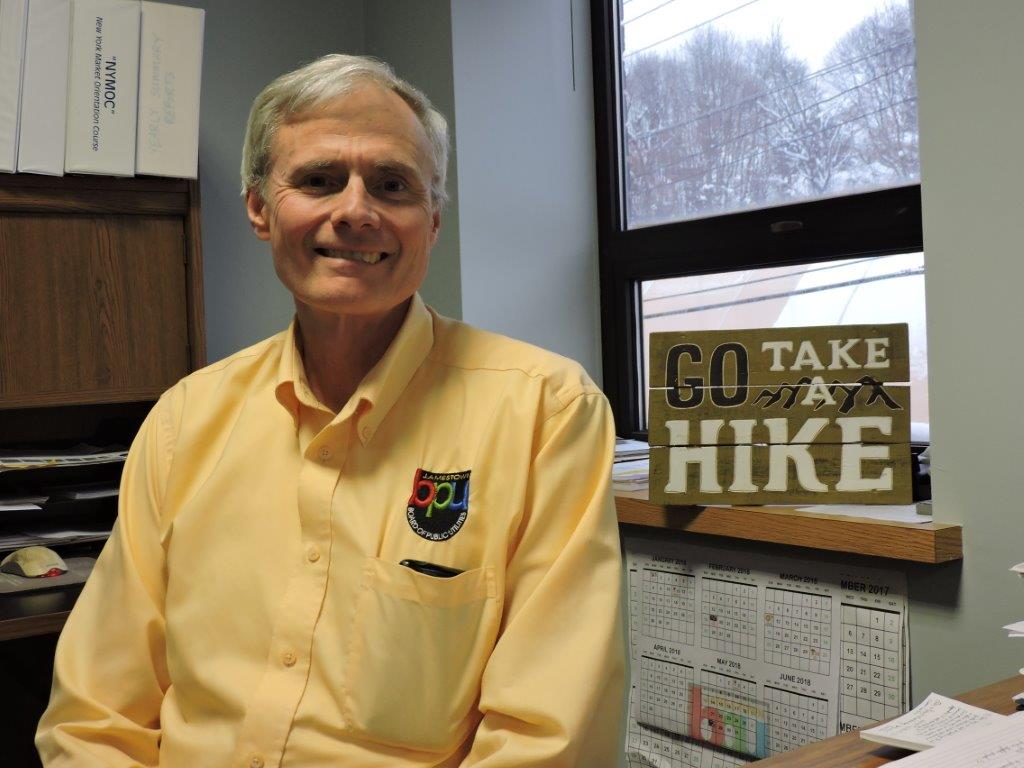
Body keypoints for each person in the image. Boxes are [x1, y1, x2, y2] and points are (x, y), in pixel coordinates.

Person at [36, 54, 625, 767]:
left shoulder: (547, 414)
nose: (354, 211)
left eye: (393, 184)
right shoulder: (183, 421)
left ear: (434, 219)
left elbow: (549, 741)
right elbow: (94, 716)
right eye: (318, 180)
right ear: (260, 208)